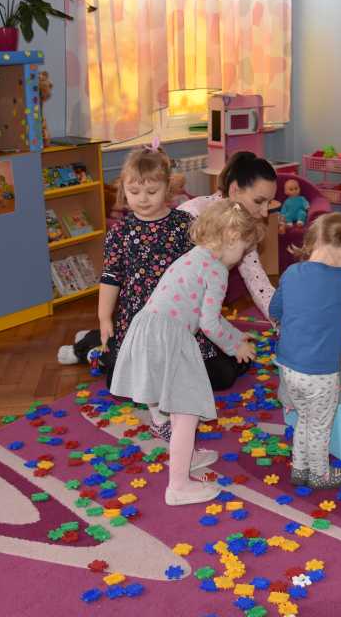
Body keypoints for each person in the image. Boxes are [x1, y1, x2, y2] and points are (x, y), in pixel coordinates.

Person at [111, 200, 261, 506]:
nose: (241, 257)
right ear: (232, 237)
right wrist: (236, 346)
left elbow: (207, 317)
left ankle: (186, 454)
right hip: (172, 337)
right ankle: (178, 486)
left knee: (169, 402)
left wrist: (235, 335)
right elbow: (209, 323)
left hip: (147, 329)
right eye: (243, 249)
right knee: (187, 412)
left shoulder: (194, 257)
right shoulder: (217, 270)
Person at [57, 148, 195, 387]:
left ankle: (92, 338)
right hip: (135, 318)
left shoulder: (184, 224)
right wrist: (103, 318)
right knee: (121, 382)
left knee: (210, 375)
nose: (143, 199)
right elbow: (110, 277)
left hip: (176, 316)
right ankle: (87, 347)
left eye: (152, 191)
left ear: (167, 188)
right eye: (134, 192)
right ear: (124, 190)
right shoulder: (120, 232)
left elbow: (199, 269)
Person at [270, 213, 341, 490]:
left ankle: (300, 468)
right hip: (320, 373)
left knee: (305, 418)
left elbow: (275, 310)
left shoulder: (291, 272)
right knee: (321, 426)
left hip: (288, 367)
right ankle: (320, 475)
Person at [178, 151, 278, 389]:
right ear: (234, 190)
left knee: (234, 364)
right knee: (222, 372)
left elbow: (258, 281)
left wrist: (285, 322)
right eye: (259, 201)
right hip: (170, 316)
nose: (265, 212)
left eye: (269, 203)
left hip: (201, 319)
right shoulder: (191, 215)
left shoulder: (241, 225)